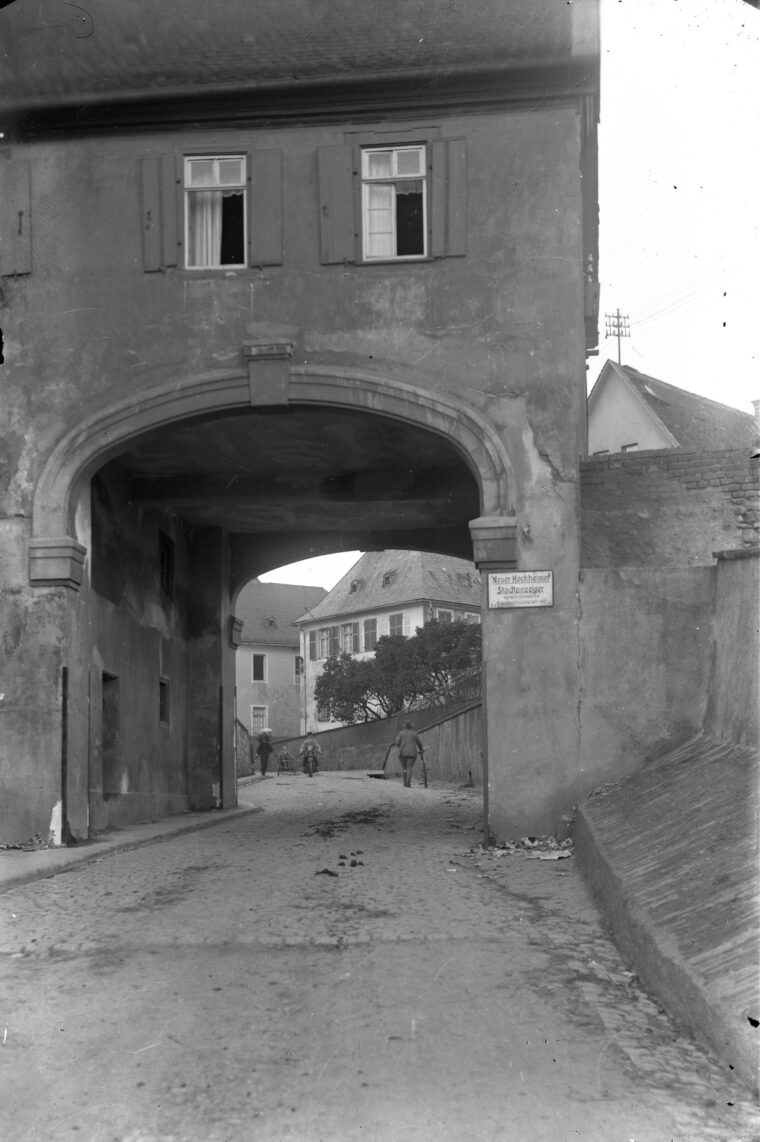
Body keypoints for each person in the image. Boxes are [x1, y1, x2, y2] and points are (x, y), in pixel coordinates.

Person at [395, 721, 424, 788]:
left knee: (404, 768)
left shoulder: (401, 733)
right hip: (411, 753)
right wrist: (421, 749)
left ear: (405, 727)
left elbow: (397, 743)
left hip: (402, 753)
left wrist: (401, 745)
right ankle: (408, 783)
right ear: (411, 727)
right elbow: (419, 743)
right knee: (409, 767)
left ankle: (405, 781)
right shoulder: (414, 733)